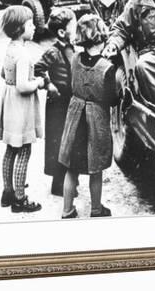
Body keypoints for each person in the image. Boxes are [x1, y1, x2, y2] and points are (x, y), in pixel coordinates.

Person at [58, 14, 118, 219]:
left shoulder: (74, 58)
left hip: (75, 120)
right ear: (101, 38)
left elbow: (70, 85)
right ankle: (96, 209)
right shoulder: (107, 68)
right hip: (95, 122)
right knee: (96, 168)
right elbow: (113, 99)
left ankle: (67, 210)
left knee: (71, 169)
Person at [0, 6, 45, 213]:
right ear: (19, 28)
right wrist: (39, 82)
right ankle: (19, 199)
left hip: (9, 103)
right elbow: (23, 86)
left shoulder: (10, 49)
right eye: (30, 24)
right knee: (24, 149)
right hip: (21, 107)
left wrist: (16, 78)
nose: (34, 27)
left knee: (10, 149)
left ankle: (7, 192)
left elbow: (3, 74)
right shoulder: (24, 54)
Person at [34, 8, 77, 197]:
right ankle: (58, 184)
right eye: (73, 27)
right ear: (61, 32)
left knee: (70, 141)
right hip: (57, 103)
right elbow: (38, 68)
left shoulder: (72, 49)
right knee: (58, 141)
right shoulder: (53, 51)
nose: (75, 30)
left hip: (70, 100)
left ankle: (66, 181)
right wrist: (49, 84)